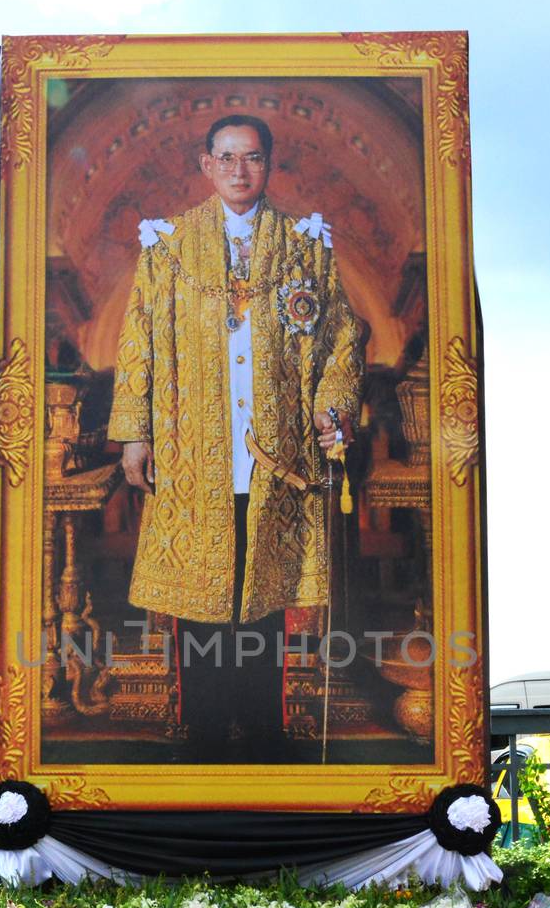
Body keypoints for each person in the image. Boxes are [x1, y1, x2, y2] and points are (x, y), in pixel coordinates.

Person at [107, 114, 363, 758]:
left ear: (269, 165)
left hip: (280, 455)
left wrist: (333, 404)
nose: (239, 170)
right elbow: (136, 341)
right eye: (226, 157)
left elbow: (341, 337)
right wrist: (134, 432)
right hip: (196, 448)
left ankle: (263, 733)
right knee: (202, 596)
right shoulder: (167, 246)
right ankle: (203, 731)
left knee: (265, 595)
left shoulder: (306, 247)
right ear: (205, 164)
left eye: (251, 158)